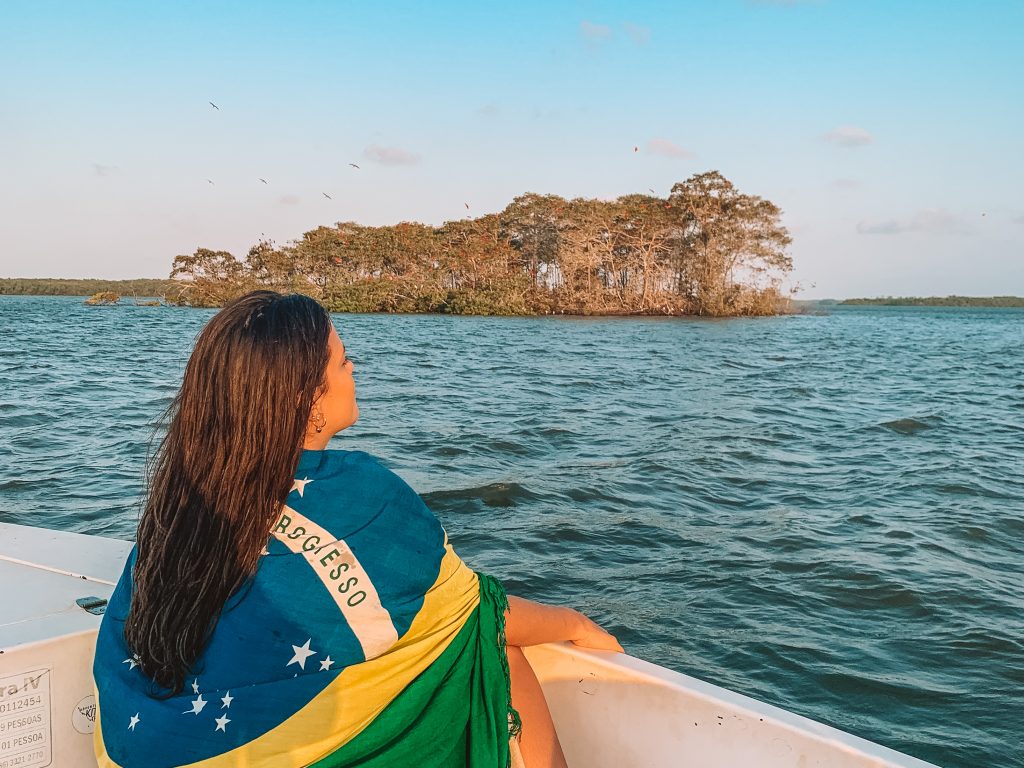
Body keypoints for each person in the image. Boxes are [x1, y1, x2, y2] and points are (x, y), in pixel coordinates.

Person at [92, 291, 622, 768]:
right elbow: (471, 613)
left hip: (147, 746)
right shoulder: (360, 494)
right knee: (490, 652)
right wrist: (574, 622)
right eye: (343, 361)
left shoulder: (180, 507)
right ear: (308, 399)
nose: (355, 367)